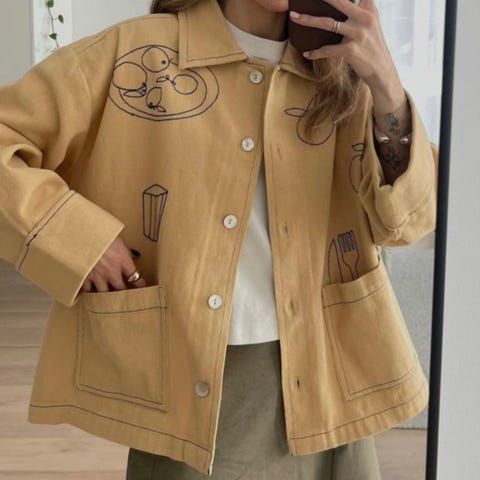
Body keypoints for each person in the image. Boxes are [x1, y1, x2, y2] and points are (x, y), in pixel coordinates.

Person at [0, 0, 438, 478]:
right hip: (198, 373)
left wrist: (386, 86)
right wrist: (83, 242)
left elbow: (407, 222)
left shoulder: (344, 73)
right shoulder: (132, 53)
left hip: (330, 369)